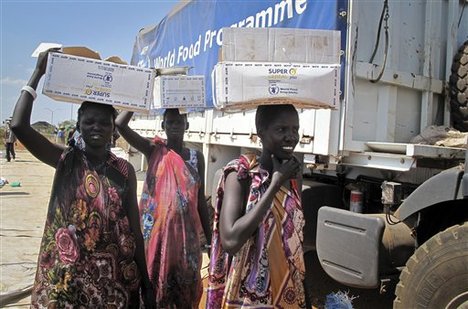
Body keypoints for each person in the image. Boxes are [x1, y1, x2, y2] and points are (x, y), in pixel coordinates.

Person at [10, 49, 155, 309]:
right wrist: (38, 73)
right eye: (89, 122)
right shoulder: (67, 161)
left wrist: (146, 281)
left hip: (115, 283)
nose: (96, 128)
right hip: (67, 284)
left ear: (113, 128)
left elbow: (134, 228)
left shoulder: (123, 170)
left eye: (103, 123)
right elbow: (19, 125)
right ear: (79, 126)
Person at [206, 104, 306, 308]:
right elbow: (231, 240)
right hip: (246, 299)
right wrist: (275, 183)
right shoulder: (240, 175)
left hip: (287, 294)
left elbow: (296, 249)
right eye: (281, 130)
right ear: (261, 132)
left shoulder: (293, 177)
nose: (291, 137)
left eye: (295, 129)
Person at [116, 108, 212, 308]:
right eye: (170, 122)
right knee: (154, 285)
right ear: (163, 126)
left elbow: (200, 200)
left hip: (187, 240)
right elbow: (119, 125)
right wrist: (142, 93)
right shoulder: (153, 150)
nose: (175, 126)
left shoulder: (196, 157)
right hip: (157, 238)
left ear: (187, 125)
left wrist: (211, 242)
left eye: (179, 122)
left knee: (185, 289)